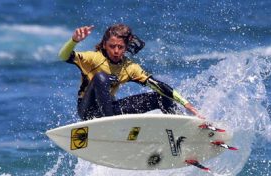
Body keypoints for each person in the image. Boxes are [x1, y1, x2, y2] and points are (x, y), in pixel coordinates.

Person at [58, 23, 204, 120]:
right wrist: (74, 41)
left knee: (160, 97)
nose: (116, 51)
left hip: (111, 109)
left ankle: (182, 128)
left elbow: (157, 84)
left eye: (120, 47)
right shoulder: (93, 58)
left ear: (126, 47)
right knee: (101, 77)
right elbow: (63, 56)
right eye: (112, 46)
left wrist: (186, 104)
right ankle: (110, 124)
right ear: (104, 45)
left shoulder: (130, 67)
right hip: (88, 111)